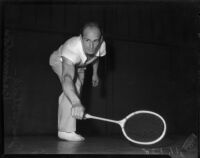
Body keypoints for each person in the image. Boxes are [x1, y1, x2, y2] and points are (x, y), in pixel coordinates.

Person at [49, 22, 106, 141]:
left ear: (100, 40)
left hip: (80, 66)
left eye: (95, 41)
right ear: (81, 38)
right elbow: (67, 77)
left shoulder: (102, 45)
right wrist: (75, 102)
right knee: (74, 88)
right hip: (60, 61)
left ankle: (66, 125)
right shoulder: (72, 47)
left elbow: (96, 58)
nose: (91, 46)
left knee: (75, 93)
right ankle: (65, 131)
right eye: (87, 40)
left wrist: (95, 74)